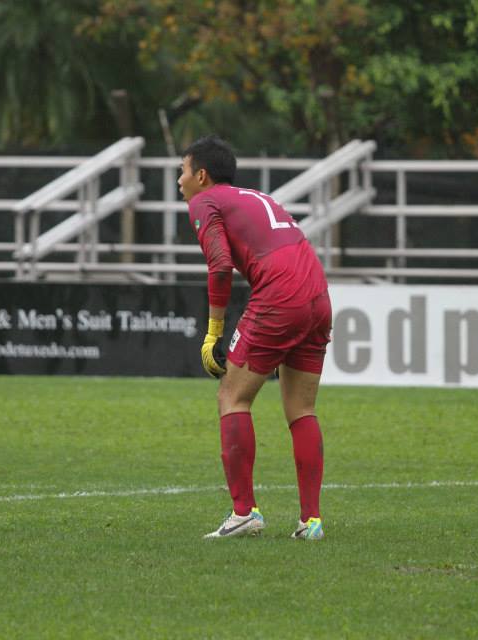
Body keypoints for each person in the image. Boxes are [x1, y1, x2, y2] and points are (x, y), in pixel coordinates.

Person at [179, 135, 331, 541]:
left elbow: (220, 266)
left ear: (202, 175)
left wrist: (213, 333)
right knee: (301, 409)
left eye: (183, 170)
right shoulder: (255, 196)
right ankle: (311, 522)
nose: (179, 180)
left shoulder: (204, 201)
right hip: (317, 293)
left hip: (280, 294)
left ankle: (244, 513)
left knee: (232, 396)